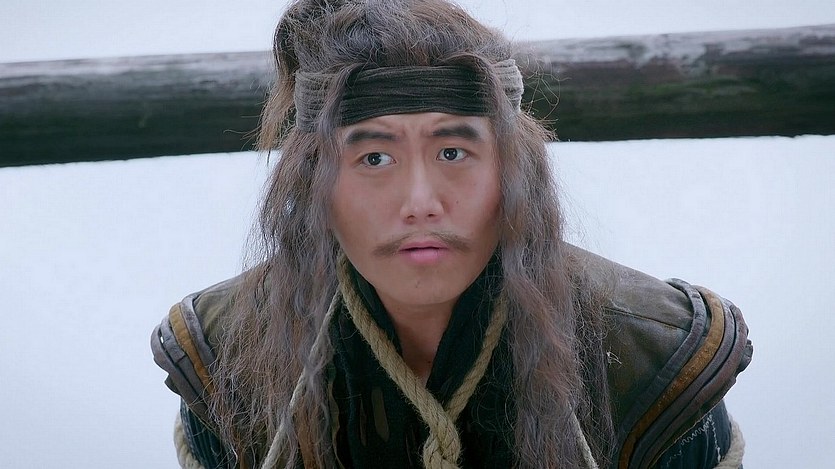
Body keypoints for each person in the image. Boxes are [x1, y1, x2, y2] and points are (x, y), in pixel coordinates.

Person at [151, 0, 753, 468]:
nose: (421, 203)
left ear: (514, 173)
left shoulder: (654, 365)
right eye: (374, 159)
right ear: (315, 185)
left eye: (453, 152)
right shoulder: (225, 358)